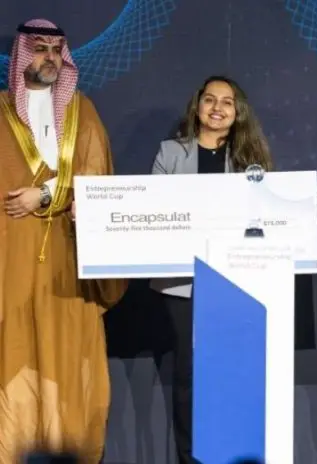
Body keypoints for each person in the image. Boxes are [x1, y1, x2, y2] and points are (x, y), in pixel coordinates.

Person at [0, 19, 127, 462]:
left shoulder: (82, 112)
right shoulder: (0, 114)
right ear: (20, 55)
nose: (50, 57)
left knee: (70, 362)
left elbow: (99, 181)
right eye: (39, 48)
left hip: (68, 263)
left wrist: (48, 194)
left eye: (57, 49)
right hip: (11, 261)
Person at [150, 75, 273, 464]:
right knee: (188, 375)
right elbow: (155, 212)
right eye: (210, 100)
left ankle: (229, 454)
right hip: (183, 281)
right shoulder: (170, 153)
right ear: (197, 106)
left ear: (238, 114)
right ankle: (190, 457)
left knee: (228, 375)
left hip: (234, 280)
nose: (217, 108)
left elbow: (263, 217)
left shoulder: (250, 161)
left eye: (227, 102)